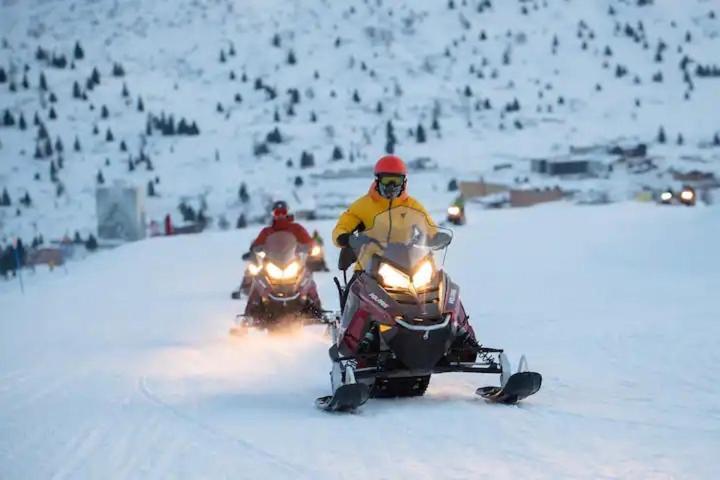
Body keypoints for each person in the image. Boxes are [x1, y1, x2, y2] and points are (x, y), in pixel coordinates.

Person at [332, 154, 434, 285]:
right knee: (352, 294)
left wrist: (436, 236)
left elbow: (429, 225)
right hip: (368, 269)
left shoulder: (412, 206)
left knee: (434, 293)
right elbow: (342, 226)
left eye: (395, 181)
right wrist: (344, 237)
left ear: (404, 182)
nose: (391, 186)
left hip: (408, 267)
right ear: (377, 180)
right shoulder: (362, 205)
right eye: (387, 180)